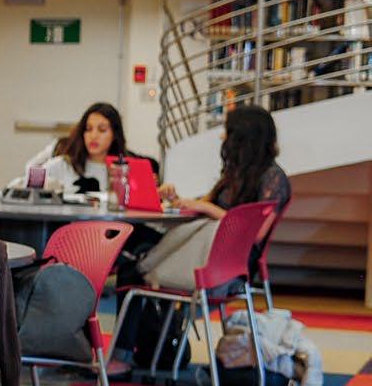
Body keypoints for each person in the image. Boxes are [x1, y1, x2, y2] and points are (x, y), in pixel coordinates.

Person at [117, 105, 290, 369]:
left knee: (133, 268)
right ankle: (136, 352)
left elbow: (255, 234)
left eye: (227, 131)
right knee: (137, 248)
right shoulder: (235, 174)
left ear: (243, 138)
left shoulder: (273, 178)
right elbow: (205, 206)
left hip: (228, 264)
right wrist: (178, 200)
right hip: (208, 250)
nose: (222, 137)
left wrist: (206, 209)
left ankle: (123, 355)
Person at [18, 101, 153, 193]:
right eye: (88, 129)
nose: (93, 136)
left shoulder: (124, 171)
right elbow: (21, 184)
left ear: (115, 135)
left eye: (102, 130)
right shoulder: (63, 164)